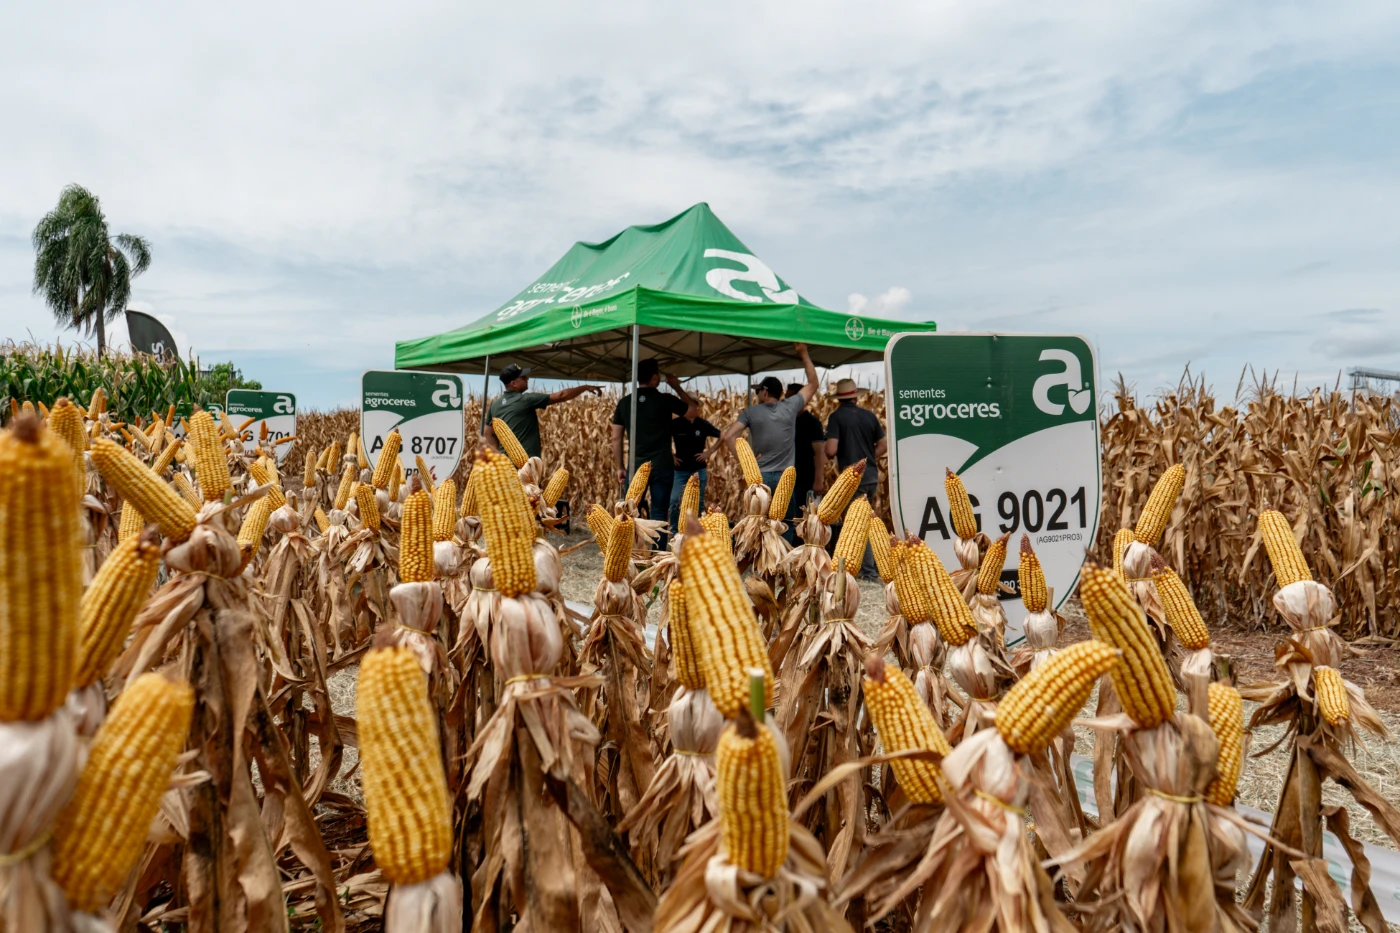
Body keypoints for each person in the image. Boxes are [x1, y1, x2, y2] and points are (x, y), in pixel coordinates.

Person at [707, 344, 819, 534]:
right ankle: (783, 554)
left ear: (765, 392)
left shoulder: (750, 412)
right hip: (785, 477)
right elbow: (813, 383)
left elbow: (728, 435)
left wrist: (746, 462)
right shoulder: (790, 406)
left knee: (758, 526)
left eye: (758, 390)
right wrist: (804, 353)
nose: (757, 394)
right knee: (785, 524)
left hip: (760, 477)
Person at [612, 358, 697, 547]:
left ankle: (630, 553)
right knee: (659, 513)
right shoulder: (665, 400)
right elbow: (693, 412)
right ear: (655, 378)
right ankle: (657, 555)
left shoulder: (625, 403)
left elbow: (616, 438)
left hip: (635, 466)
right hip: (662, 465)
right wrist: (676, 386)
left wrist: (620, 467)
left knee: (630, 512)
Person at [824, 377, 887, 580]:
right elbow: (883, 445)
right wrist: (866, 459)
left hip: (852, 480)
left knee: (857, 525)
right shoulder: (869, 416)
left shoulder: (836, 418)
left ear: (838, 399)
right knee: (867, 522)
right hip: (871, 476)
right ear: (856, 397)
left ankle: (868, 572)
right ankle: (871, 568)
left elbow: (830, 449)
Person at [483, 364, 601, 460]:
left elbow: (487, 433)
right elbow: (561, 396)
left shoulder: (495, 405)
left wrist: (498, 455)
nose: (527, 379)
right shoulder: (525, 399)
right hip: (526, 465)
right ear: (513, 383)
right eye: (523, 378)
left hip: (506, 467)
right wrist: (585, 387)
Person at [668, 403, 720, 530]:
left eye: (696, 406)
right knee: (674, 501)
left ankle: (695, 531)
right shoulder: (675, 424)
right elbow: (661, 438)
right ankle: (675, 531)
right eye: (693, 406)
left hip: (698, 469)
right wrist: (671, 455)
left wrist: (709, 452)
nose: (696, 409)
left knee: (698, 502)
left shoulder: (703, 424)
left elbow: (722, 436)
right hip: (680, 470)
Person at [787, 382, 828, 518]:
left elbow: (819, 453)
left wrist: (818, 481)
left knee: (803, 517)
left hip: (804, 479)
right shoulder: (786, 421)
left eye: (789, 398)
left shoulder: (811, 422)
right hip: (787, 478)